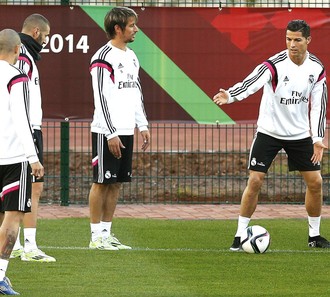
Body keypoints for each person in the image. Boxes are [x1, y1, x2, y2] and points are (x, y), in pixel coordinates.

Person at [213, 19, 330, 250]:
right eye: (288, 39)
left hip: (299, 135)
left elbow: (319, 106)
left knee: (315, 182)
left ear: (308, 40)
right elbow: (252, 82)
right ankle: (239, 236)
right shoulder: (274, 65)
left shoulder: (316, 69)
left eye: (297, 40)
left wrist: (317, 139)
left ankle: (314, 236)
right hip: (269, 132)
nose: (292, 44)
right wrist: (231, 95)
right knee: (255, 180)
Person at [88, 6, 150, 250]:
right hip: (106, 131)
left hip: (126, 130)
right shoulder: (103, 57)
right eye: (132, 25)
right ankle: (95, 238)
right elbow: (100, 98)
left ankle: (107, 233)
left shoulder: (132, 55)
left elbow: (136, 92)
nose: (136, 29)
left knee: (116, 183)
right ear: (118, 28)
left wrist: (142, 124)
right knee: (102, 182)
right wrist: (110, 132)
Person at [0, 28, 44, 295]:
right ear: (18, 50)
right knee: (12, 217)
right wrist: (33, 158)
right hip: (14, 157)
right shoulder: (17, 77)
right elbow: (22, 119)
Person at [10, 14, 55, 262]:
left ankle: (15, 243)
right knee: (33, 188)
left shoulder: (22, 55)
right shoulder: (24, 57)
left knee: (17, 187)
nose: (47, 41)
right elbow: (19, 95)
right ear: (36, 32)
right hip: (27, 128)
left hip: (21, 127)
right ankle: (29, 247)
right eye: (46, 36)